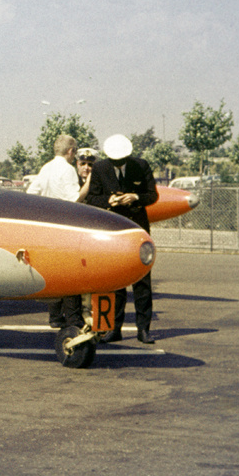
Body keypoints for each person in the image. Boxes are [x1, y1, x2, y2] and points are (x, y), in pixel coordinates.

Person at [86, 134, 160, 343]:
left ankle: (143, 329)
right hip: (113, 230)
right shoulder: (100, 168)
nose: (118, 164)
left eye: (121, 160)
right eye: (115, 161)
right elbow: (92, 198)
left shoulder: (141, 166)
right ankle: (114, 329)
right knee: (116, 279)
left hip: (137, 229)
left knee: (142, 282)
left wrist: (135, 197)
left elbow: (152, 195)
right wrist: (109, 201)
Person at [27, 135, 82, 328]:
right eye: (75, 151)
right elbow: (74, 198)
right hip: (65, 226)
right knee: (70, 274)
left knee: (54, 272)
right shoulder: (68, 170)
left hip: (48, 227)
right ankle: (74, 318)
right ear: (70, 151)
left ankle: (55, 315)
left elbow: (31, 194)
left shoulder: (46, 168)